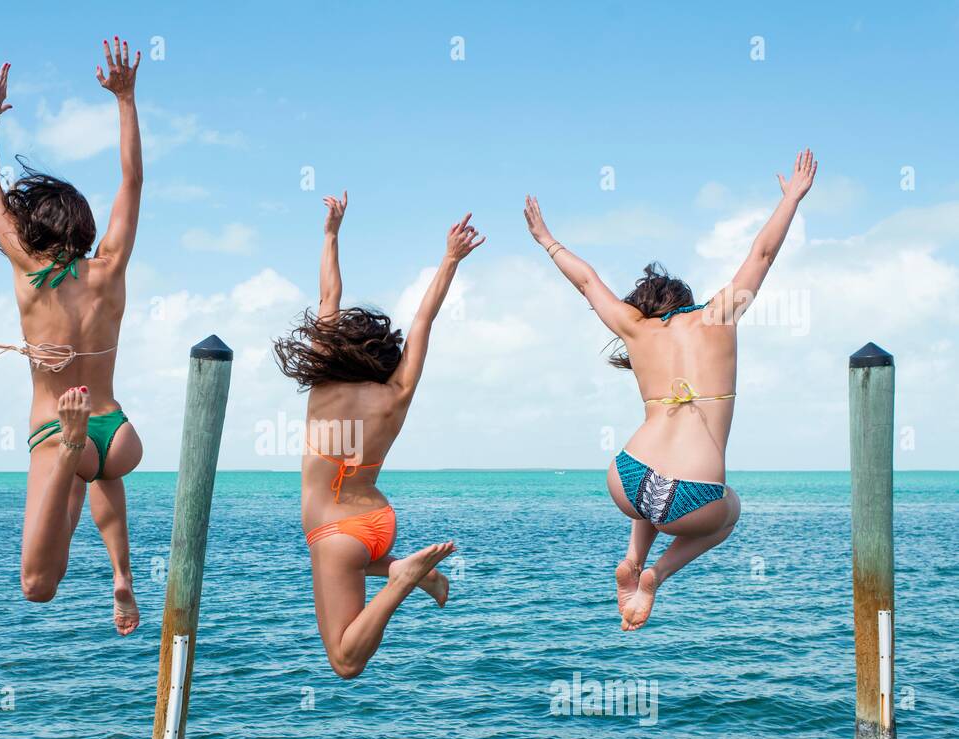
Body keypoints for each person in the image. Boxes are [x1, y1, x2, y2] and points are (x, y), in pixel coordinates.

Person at [524, 149, 818, 630]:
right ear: (684, 302)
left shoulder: (635, 328)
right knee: (732, 510)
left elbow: (586, 281)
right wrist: (791, 199)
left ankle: (632, 559)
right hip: (695, 499)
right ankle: (655, 574)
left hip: (626, 480)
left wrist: (546, 239)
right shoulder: (719, 315)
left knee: (654, 487)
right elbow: (761, 254)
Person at [0, 41, 145, 634]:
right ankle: (122, 574)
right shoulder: (110, 268)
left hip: (60, 430)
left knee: (37, 587)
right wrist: (125, 99)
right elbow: (131, 180)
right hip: (119, 430)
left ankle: (76, 450)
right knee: (105, 473)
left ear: (35, 225)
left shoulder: (28, 270)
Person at [273, 192, 484, 677]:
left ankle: (404, 577)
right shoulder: (397, 394)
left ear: (339, 347)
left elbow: (329, 296)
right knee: (352, 568)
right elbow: (424, 320)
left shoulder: (324, 382)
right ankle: (413, 574)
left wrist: (331, 233)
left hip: (334, 530)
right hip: (376, 521)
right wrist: (450, 259)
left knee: (346, 662)